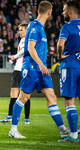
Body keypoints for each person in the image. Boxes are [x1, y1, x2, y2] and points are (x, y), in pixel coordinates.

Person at [8, 1, 69, 139]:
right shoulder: (35, 27)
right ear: (48, 12)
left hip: (41, 70)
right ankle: (13, 130)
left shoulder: (40, 27)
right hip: (32, 68)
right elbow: (30, 48)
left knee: (52, 97)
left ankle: (62, 129)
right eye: (51, 11)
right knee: (23, 97)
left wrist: (42, 66)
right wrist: (42, 65)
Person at [57, 0, 80, 143]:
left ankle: (73, 136)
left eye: (64, 10)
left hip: (70, 65)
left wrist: (60, 55)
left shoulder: (67, 26)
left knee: (69, 100)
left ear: (70, 12)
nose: (63, 12)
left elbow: (60, 44)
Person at [0, 23, 31, 124]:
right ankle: (26, 119)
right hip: (27, 70)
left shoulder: (23, 40)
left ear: (26, 30)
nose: (19, 32)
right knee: (25, 94)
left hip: (19, 69)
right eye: (19, 30)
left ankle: (10, 116)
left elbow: (22, 51)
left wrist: (15, 56)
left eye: (21, 30)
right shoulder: (31, 40)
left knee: (14, 93)